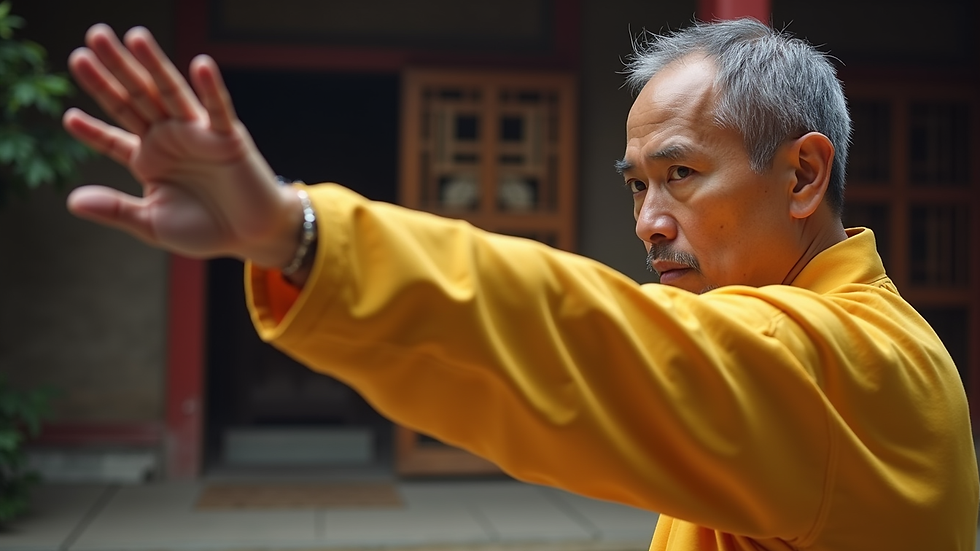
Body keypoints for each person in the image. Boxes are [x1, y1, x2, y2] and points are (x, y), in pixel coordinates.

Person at [63, 17, 978, 551]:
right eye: (636, 186)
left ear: (803, 177)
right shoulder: (818, 341)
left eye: (682, 176)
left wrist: (297, 235)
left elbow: (585, 340)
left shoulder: (852, 362)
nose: (649, 220)